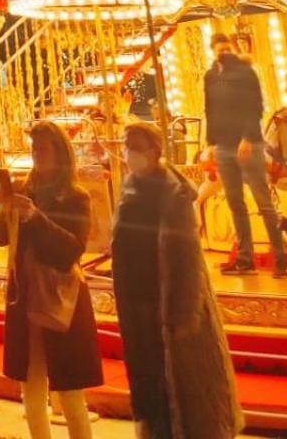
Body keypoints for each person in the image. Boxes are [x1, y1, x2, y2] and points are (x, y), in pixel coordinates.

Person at [112, 123, 243, 439]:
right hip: (139, 302)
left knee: (186, 388)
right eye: (126, 146)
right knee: (151, 384)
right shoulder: (131, 188)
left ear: (154, 151)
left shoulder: (172, 194)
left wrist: (181, 313)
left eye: (136, 147)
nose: (129, 153)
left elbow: (184, 259)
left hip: (169, 304)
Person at [0, 119, 101, 439]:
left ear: (60, 153)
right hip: (25, 295)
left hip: (60, 298)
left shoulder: (75, 197)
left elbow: (71, 250)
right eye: (34, 148)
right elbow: (0, 237)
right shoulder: (24, 188)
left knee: (69, 391)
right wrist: (5, 209)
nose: (36, 154)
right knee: (31, 386)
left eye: (43, 149)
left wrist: (35, 218)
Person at [204, 32, 287, 277]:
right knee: (235, 203)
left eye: (227, 49)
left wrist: (249, 137)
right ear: (214, 52)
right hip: (223, 145)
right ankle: (244, 258)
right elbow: (210, 109)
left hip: (246, 144)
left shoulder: (245, 73)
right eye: (220, 50)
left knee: (263, 202)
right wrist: (211, 142)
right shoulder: (211, 76)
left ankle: (280, 258)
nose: (224, 54)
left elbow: (255, 107)